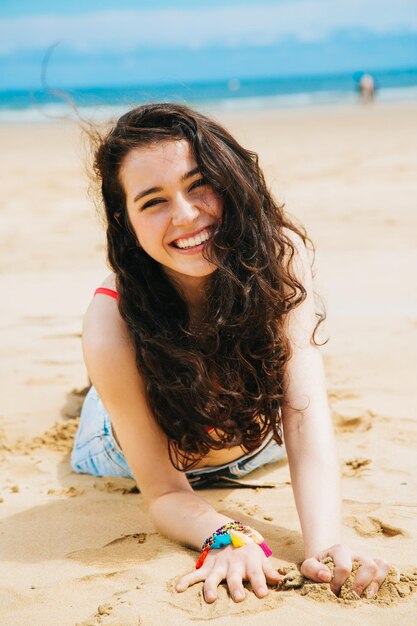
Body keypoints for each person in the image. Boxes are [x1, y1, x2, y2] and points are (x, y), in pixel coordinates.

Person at [71, 103, 390, 603]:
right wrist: (227, 534)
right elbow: (163, 492)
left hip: (254, 440)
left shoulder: (279, 258)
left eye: (199, 183)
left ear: (230, 179)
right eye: (153, 201)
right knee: (104, 396)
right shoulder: (110, 320)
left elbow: (303, 414)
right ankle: (93, 392)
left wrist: (326, 547)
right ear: (125, 219)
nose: (185, 214)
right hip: (130, 449)